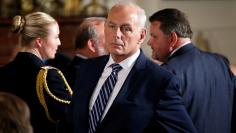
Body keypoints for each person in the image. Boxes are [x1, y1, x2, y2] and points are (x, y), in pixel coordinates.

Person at [65, 2, 197, 133]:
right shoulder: (87, 68)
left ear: (141, 35)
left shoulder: (159, 81)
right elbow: (70, 122)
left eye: (126, 28)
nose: (116, 34)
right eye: (111, 26)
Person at [147, 8, 235, 133]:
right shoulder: (221, 62)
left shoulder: (165, 74)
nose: (149, 42)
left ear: (172, 38)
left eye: (154, 36)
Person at [0, 12, 73, 133]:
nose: (59, 42)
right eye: (56, 37)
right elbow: (70, 119)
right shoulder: (48, 76)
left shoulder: (2, 72)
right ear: (39, 41)